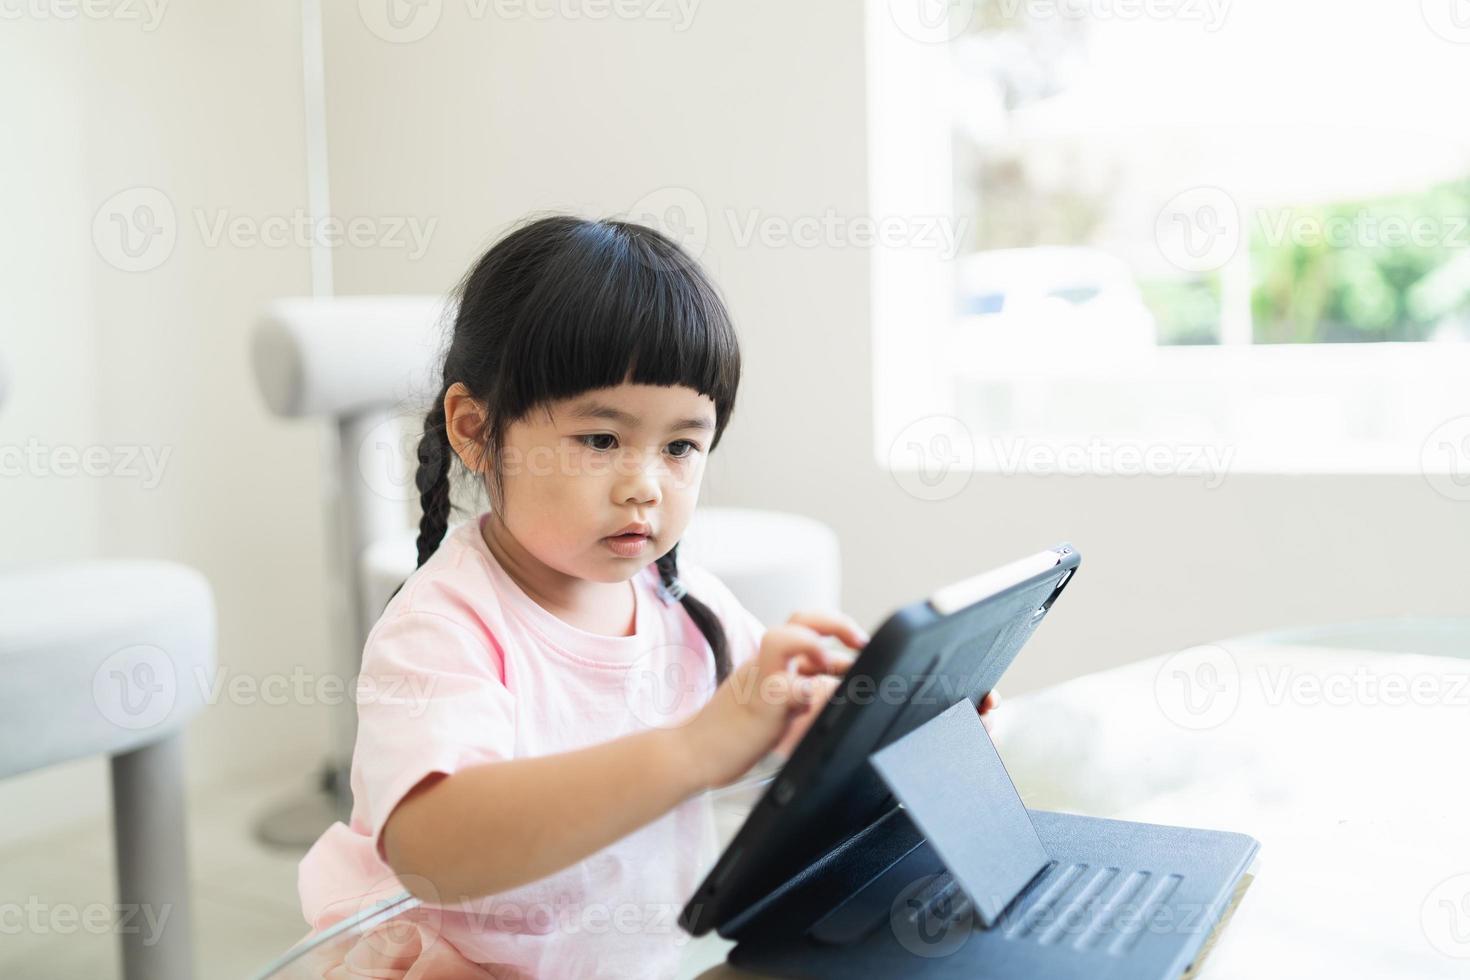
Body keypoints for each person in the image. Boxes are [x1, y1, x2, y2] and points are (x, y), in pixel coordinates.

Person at [289, 214, 996, 977]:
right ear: (473, 428)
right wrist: (693, 748)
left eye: (681, 446)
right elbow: (435, 850)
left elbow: (776, 739)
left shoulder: (686, 604)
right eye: (601, 440)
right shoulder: (443, 627)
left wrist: (877, 720)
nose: (644, 485)